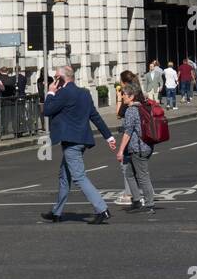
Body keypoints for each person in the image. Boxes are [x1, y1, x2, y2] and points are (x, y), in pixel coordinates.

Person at [40, 65, 115, 224]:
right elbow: (95, 116)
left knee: (79, 176)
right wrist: (108, 137)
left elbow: (47, 110)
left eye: (56, 77)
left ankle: (102, 209)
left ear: (60, 78)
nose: (54, 80)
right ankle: (57, 212)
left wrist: (51, 92)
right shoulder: (84, 93)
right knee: (64, 176)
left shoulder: (64, 93)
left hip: (71, 142)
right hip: (82, 140)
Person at [115, 80, 156, 214]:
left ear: (131, 96)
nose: (122, 97)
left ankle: (149, 205)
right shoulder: (142, 107)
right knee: (129, 174)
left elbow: (128, 132)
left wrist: (120, 150)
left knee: (143, 176)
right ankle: (137, 201)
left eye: (124, 94)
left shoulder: (131, 110)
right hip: (144, 146)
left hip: (139, 148)